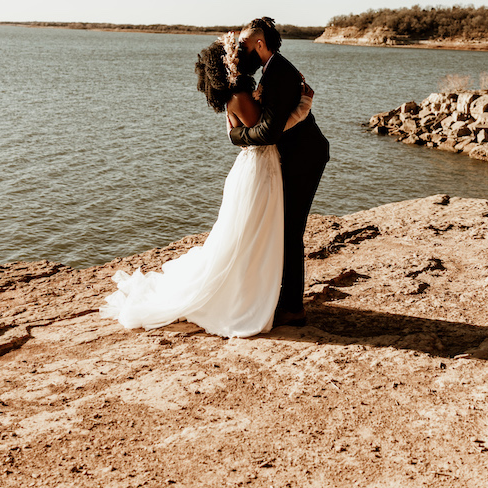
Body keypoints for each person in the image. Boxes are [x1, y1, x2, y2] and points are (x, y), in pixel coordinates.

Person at [100, 32, 313, 338]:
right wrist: (302, 105)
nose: (243, 60)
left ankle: (262, 291)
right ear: (229, 67)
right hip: (258, 169)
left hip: (258, 167)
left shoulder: (237, 95)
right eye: (237, 57)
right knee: (251, 234)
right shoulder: (239, 97)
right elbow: (267, 132)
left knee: (254, 233)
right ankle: (246, 298)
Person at [229, 17, 329, 328]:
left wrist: (236, 137)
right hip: (295, 156)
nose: (242, 50)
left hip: (305, 158)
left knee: (291, 230)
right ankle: (284, 298)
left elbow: (269, 132)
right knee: (284, 228)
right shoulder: (273, 70)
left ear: (259, 44)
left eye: (244, 45)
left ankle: (293, 307)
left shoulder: (278, 74)